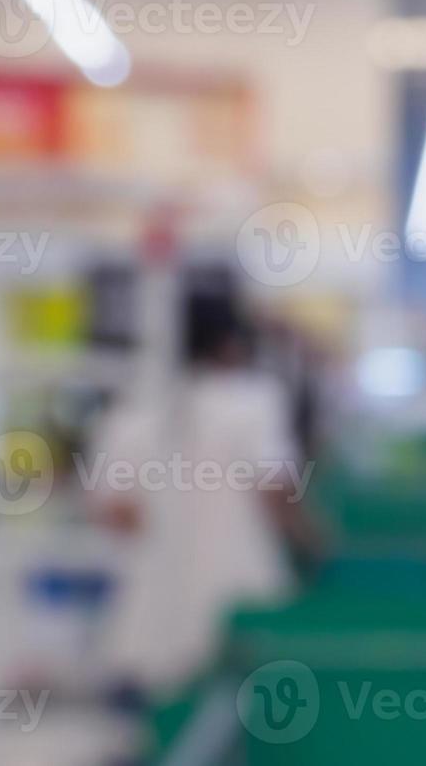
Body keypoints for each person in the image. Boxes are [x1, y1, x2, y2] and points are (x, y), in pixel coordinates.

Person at [92, 292, 320, 690]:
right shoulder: (254, 402)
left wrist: (170, 534)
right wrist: (313, 542)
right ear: (231, 344)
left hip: (155, 611)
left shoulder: (132, 412)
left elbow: (116, 515)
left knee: (166, 718)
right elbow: (275, 491)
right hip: (242, 598)